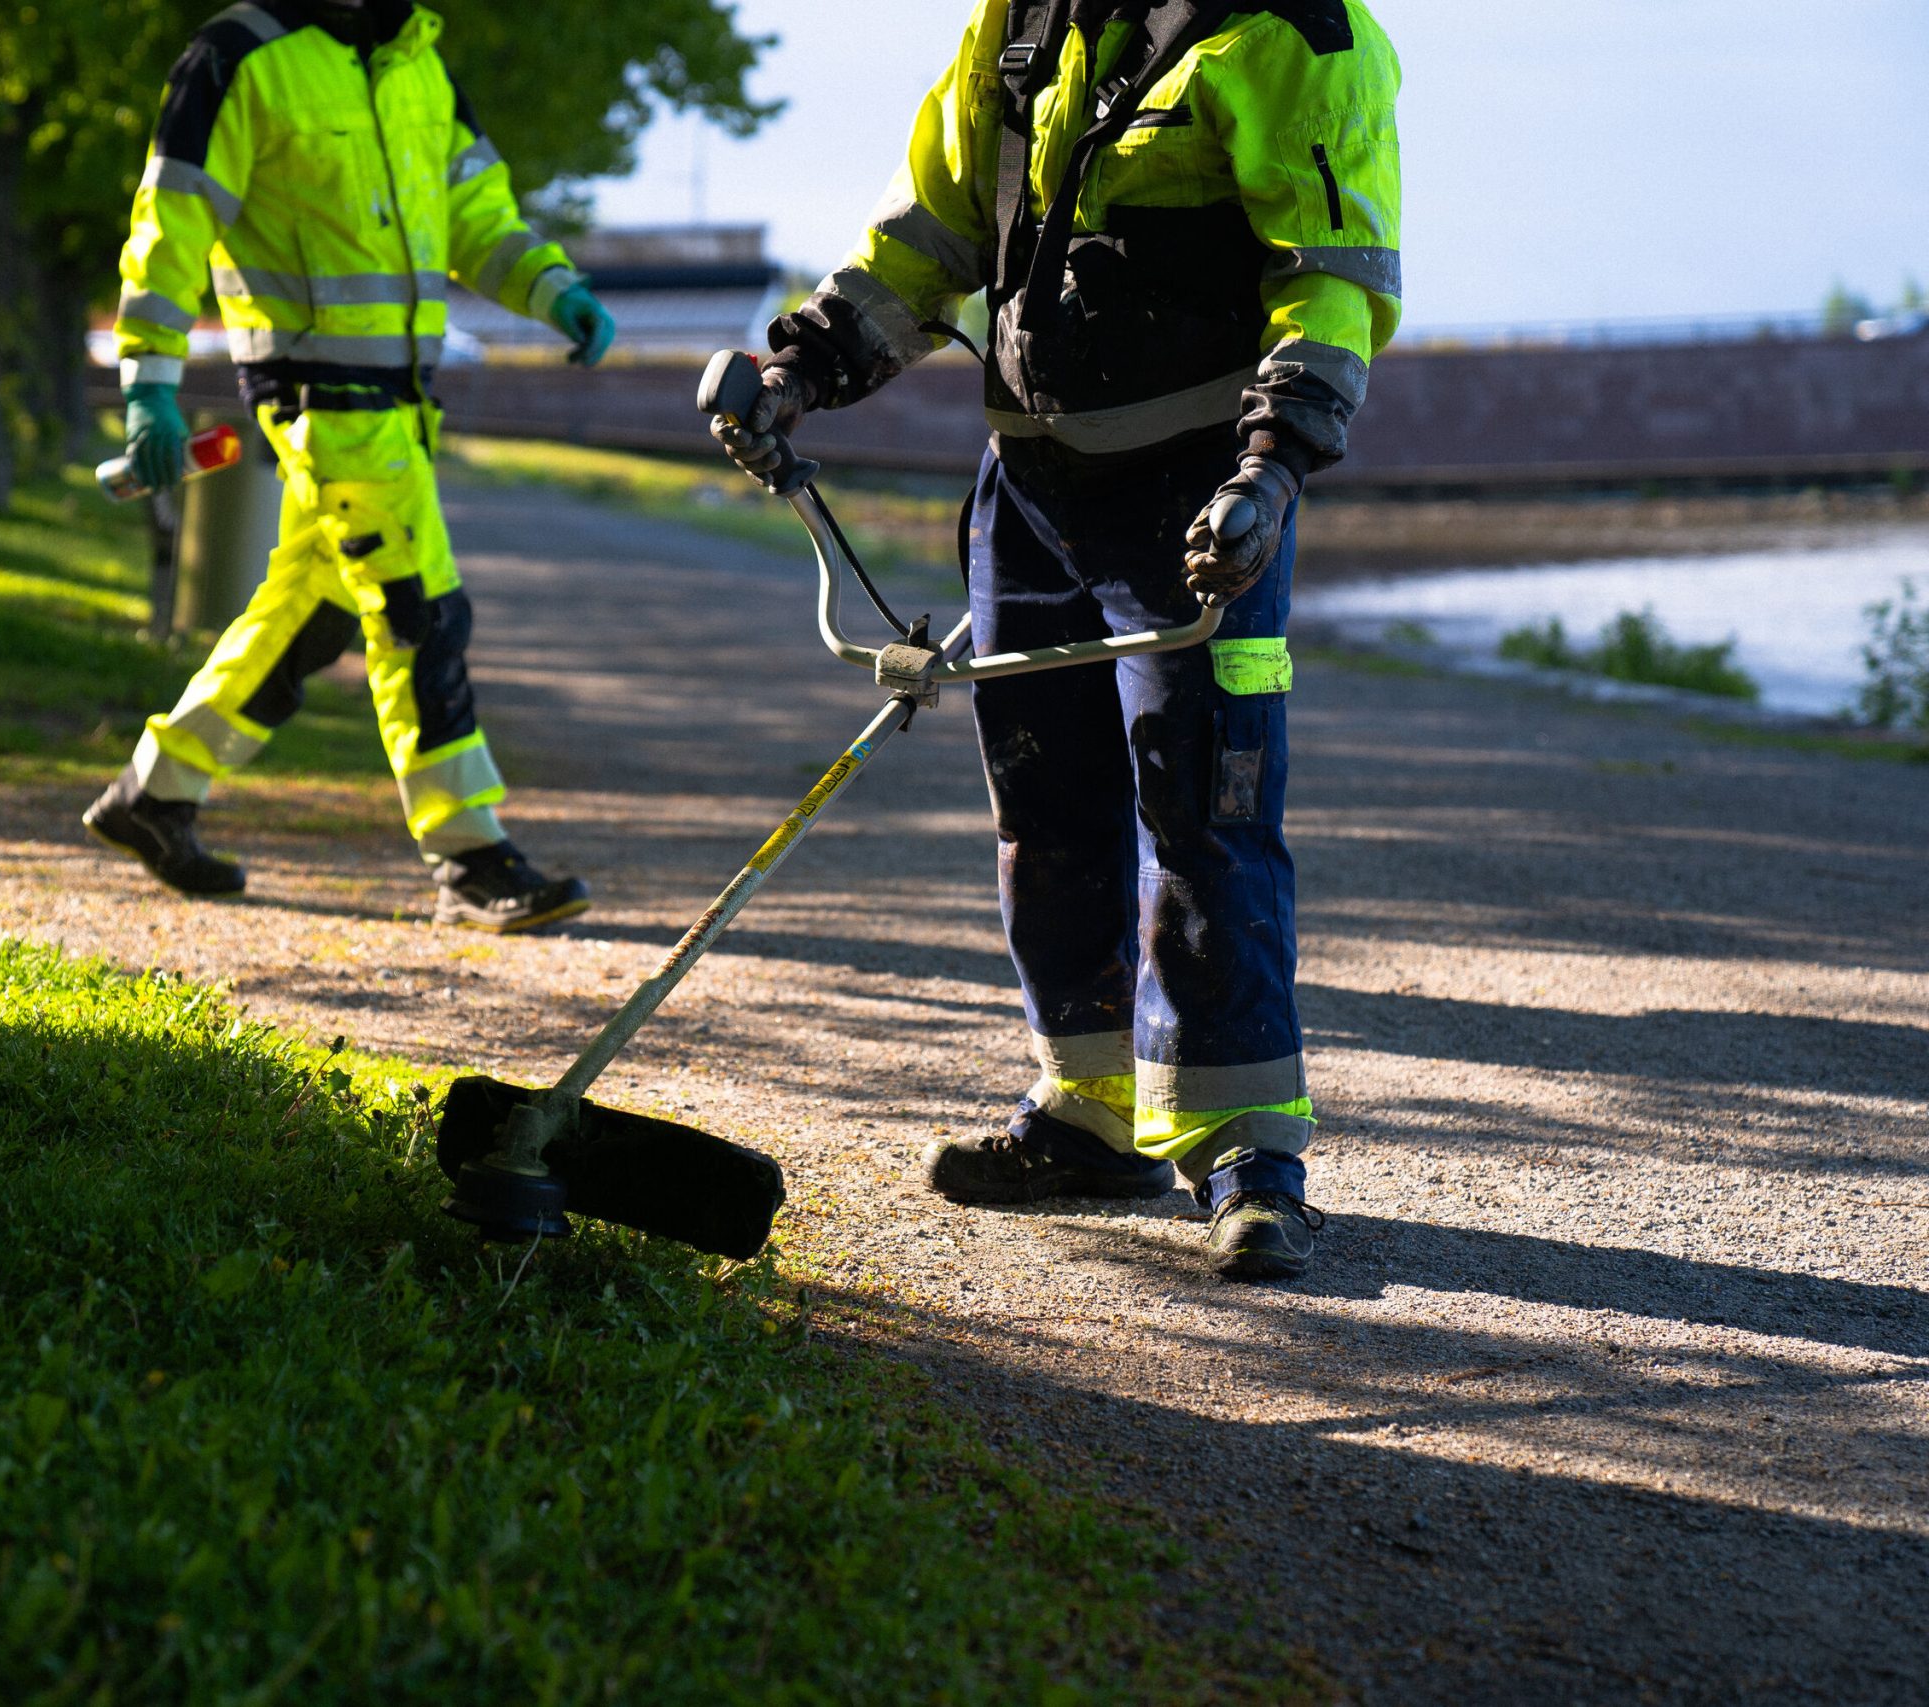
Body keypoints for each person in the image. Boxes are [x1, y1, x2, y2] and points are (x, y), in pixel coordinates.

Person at [712, 0, 1400, 1279]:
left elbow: (1334, 280)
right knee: (1049, 807)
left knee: (1201, 811)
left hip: (1202, 496)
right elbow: (934, 231)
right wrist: (798, 369)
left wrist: (1270, 469)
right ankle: (1088, 1116)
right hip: (1029, 490)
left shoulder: (1295, 30)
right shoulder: (1023, 16)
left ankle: (1253, 1157)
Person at [86, 0, 616, 933]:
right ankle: (469, 852)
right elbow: (167, 225)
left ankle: (156, 795)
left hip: (402, 405)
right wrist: (148, 384)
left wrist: (553, 287)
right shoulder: (236, 60)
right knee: (421, 609)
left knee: (315, 609)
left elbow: (473, 215)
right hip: (317, 402)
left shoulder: (423, 63)